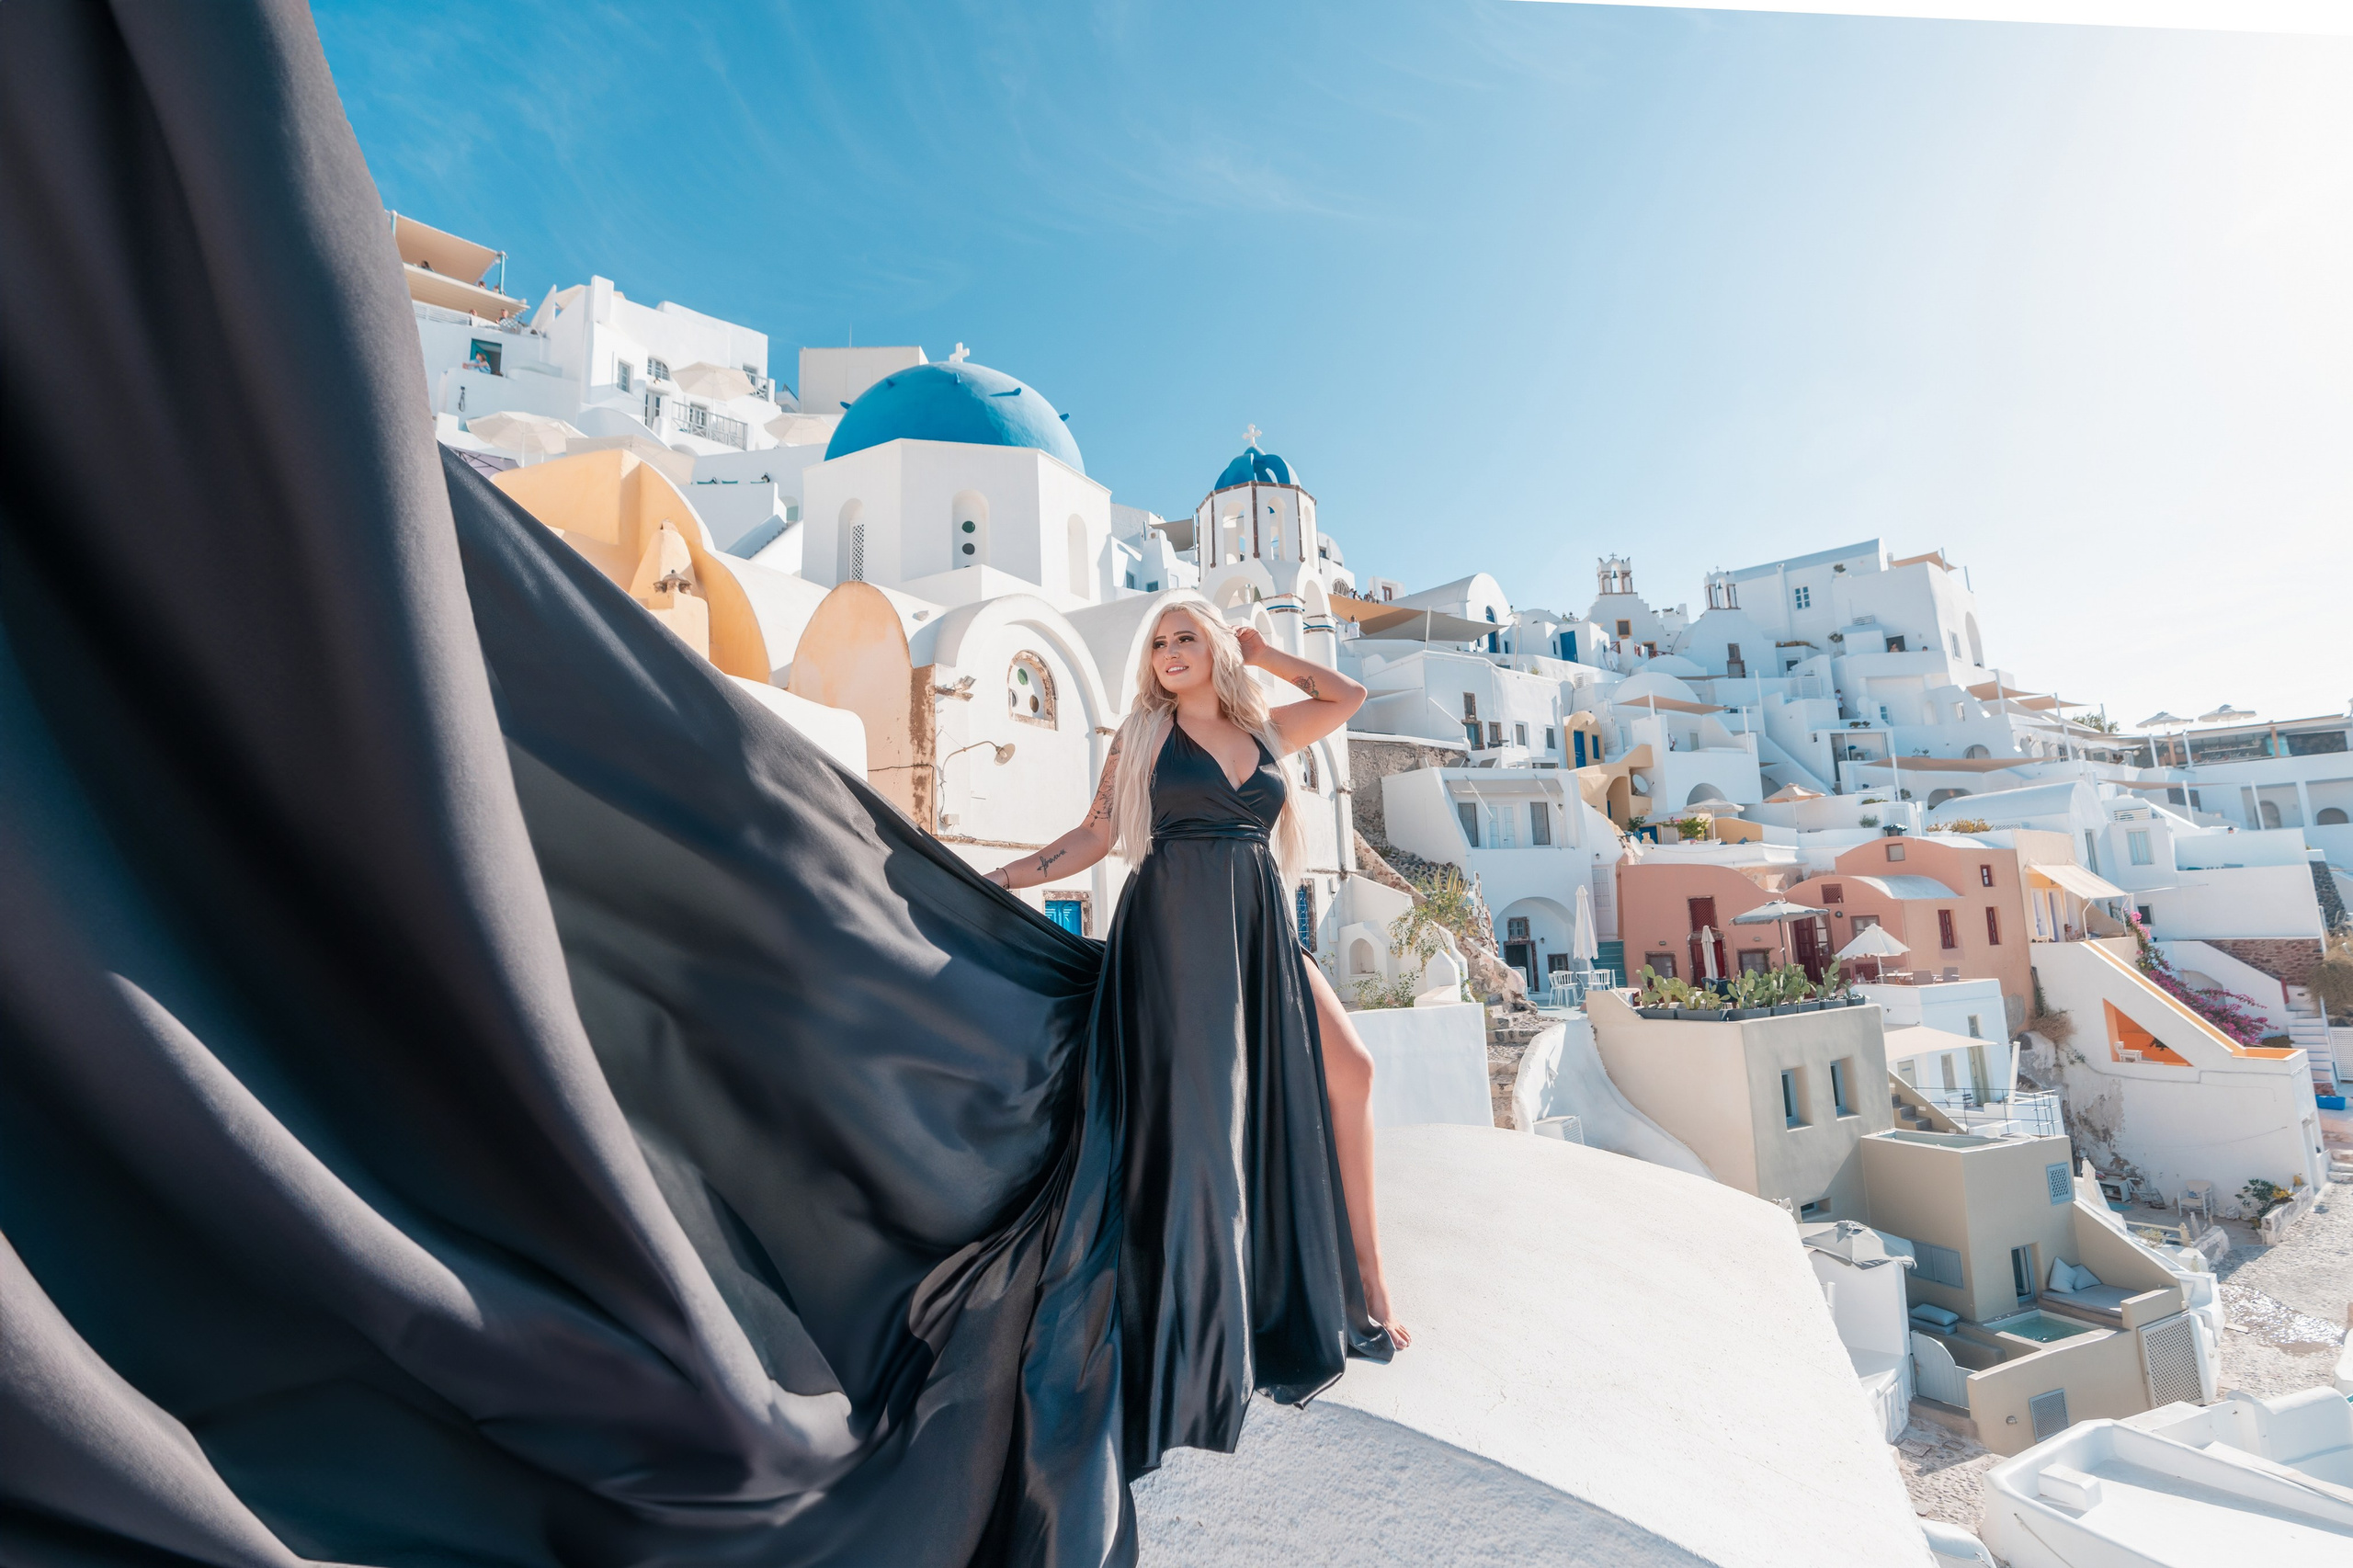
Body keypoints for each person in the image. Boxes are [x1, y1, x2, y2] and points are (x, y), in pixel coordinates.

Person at [983, 594, 1407, 1475]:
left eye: (1187, 638)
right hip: (1176, 937)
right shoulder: (1142, 735)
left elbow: (1347, 698)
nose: (1170, 651)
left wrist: (1266, 653)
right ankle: (1209, 1337)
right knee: (1209, 1135)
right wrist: (1007, 878)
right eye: (1159, 643)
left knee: (1353, 1071)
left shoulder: (1266, 731)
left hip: (1259, 932)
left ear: (1216, 648)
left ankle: (1365, 1281)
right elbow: (1096, 835)